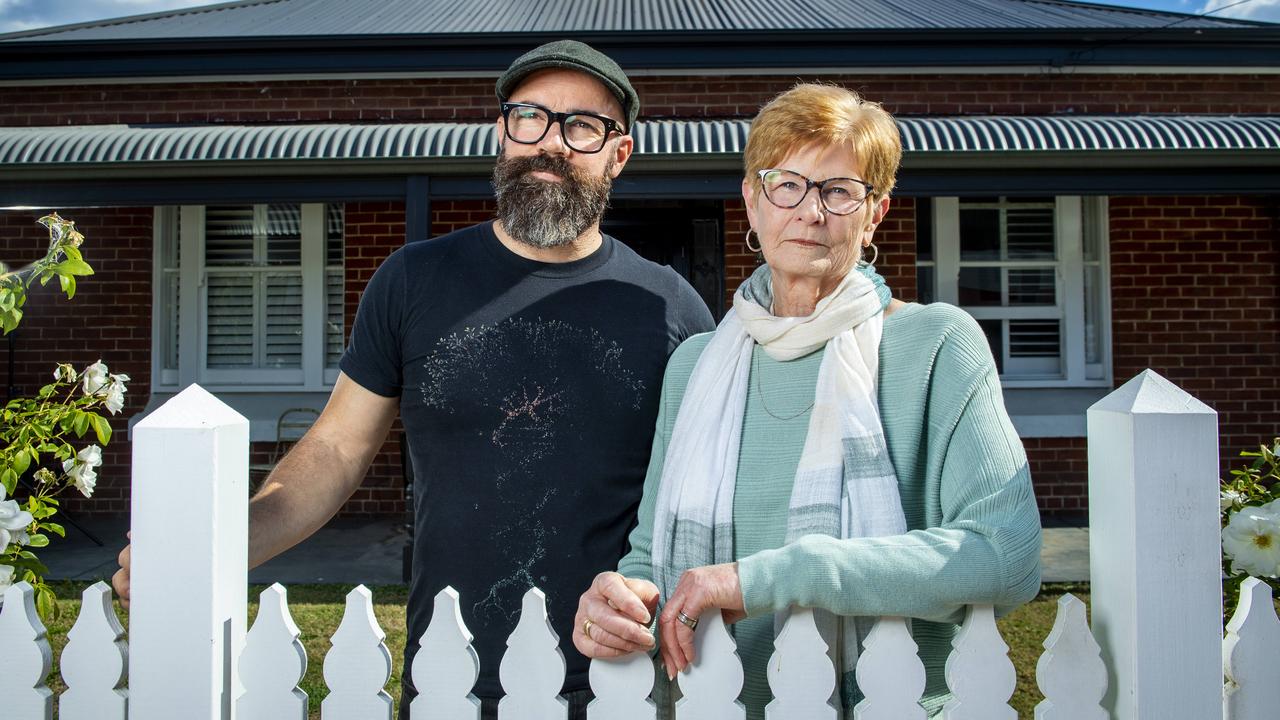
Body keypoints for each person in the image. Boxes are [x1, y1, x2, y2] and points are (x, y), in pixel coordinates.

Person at [114, 40, 715, 719]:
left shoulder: (670, 307)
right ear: (503, 133)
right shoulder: (413, 281)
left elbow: (702, 496)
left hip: (619, 682)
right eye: (531, 117)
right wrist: (220, 547)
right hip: (447, 676)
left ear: (618, 154)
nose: (551, 142)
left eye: (582, 126)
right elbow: (336, 453)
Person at [572, 83, 1042, 719]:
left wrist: (767, 577)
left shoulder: (935, 346)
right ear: (752, 202)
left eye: (840, 190)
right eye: (786, 183)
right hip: (713, 704)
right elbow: (653, 560)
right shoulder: (695, 366)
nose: (810, 211)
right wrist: (619, 601)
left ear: (874, 213)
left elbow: (1005, 557)